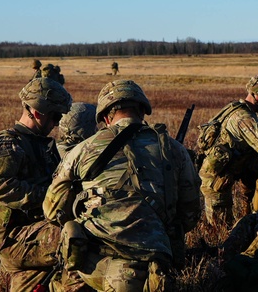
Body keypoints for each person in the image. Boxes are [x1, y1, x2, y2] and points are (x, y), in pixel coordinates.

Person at [43, 80, 202, 292]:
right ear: (142, 111)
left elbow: (52, 210)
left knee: (61, 278)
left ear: (106, 117)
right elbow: (190, 215)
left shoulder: (82, 149)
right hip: (158, 263)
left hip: (103, 264)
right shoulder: (175, 149)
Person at [0, 74, 73, 292]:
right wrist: (48, 196)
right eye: (55, 117)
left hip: (41, 229)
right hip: (16, 238)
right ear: (37, 112)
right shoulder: (9, 146)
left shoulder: (43, 146)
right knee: (75, 238)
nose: (57, 123)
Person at [198, 74, 258, 227]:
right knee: (220, 228)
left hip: (221, 175)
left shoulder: (234, 107)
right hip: (216, 182)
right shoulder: (246, 119)